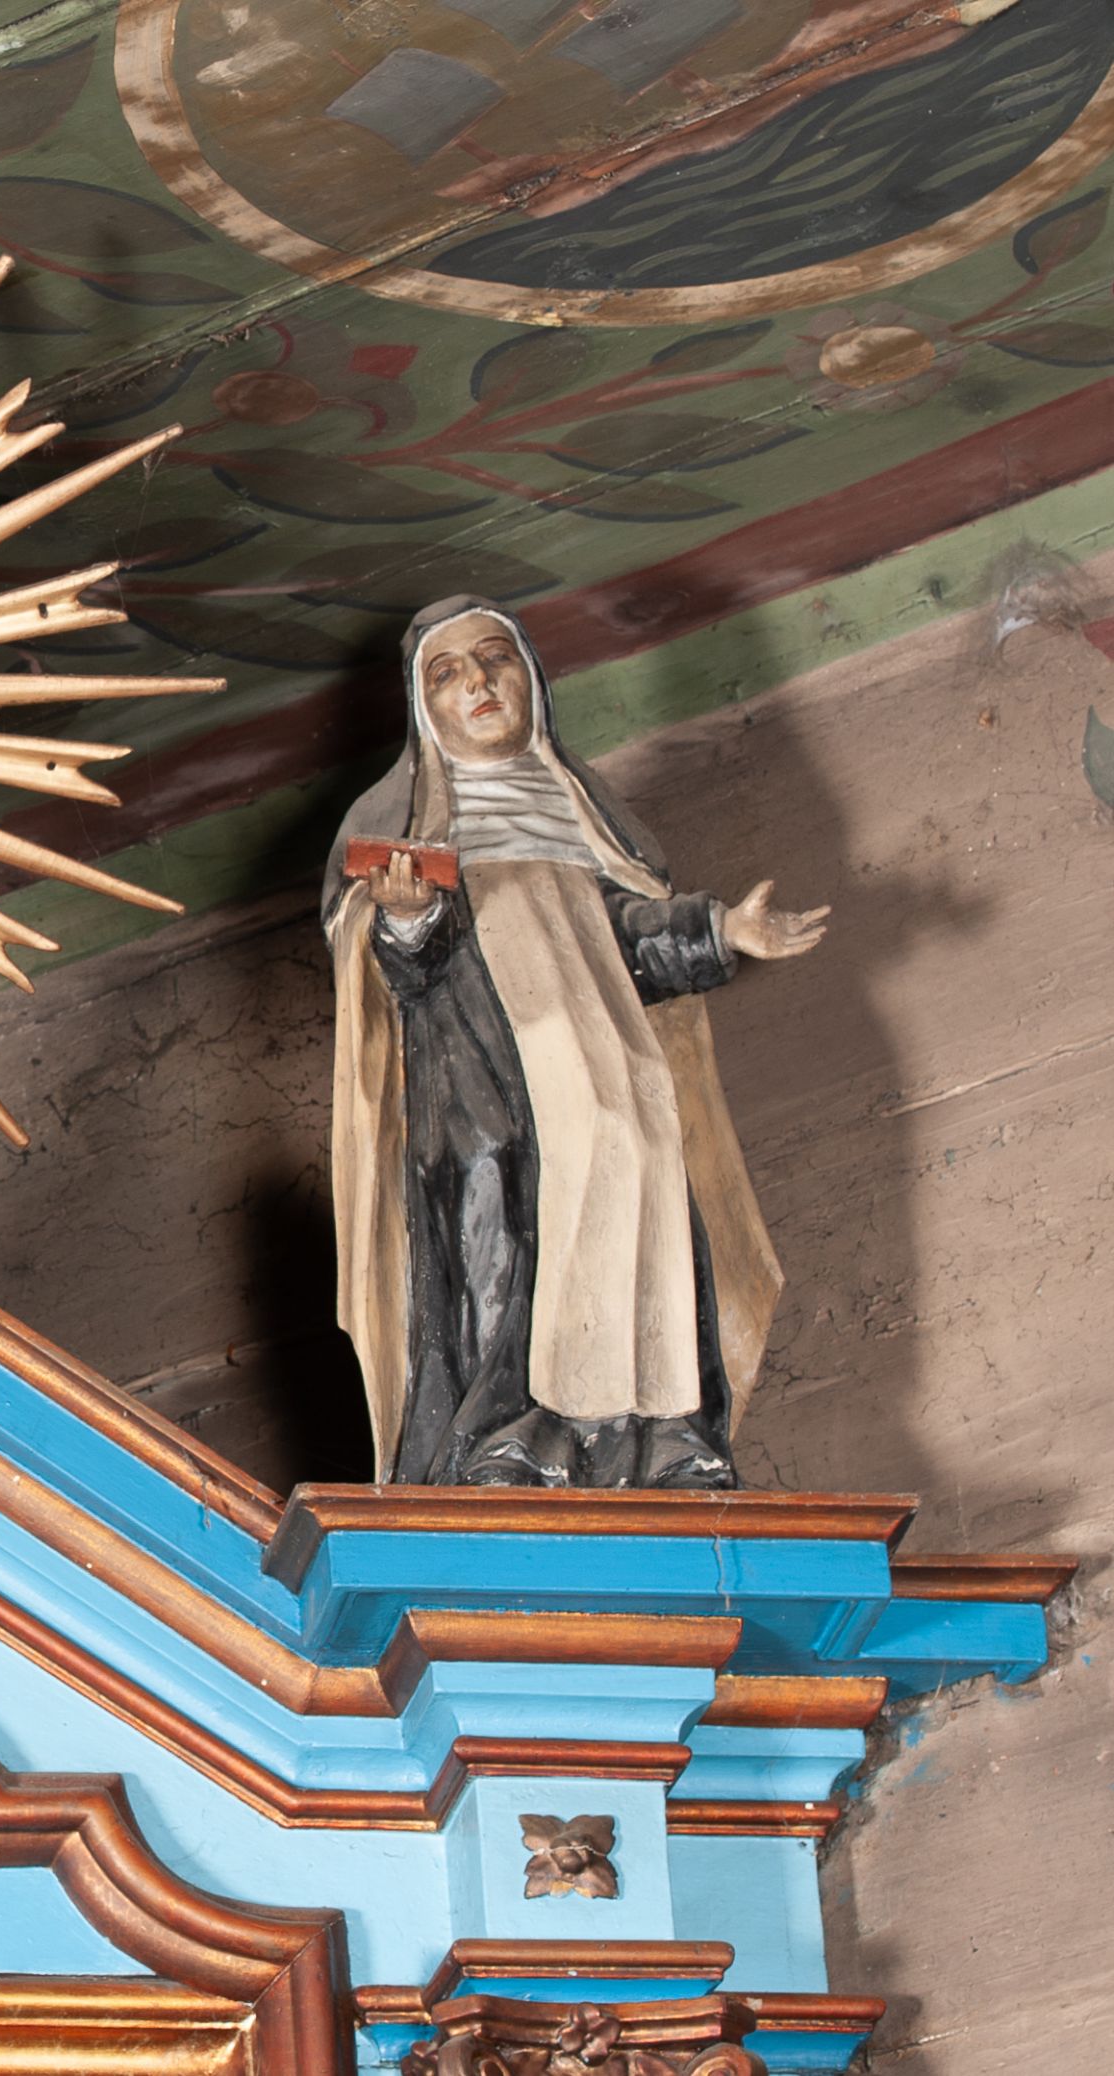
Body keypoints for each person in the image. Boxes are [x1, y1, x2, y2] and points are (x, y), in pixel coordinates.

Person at [324, 597, 827, 1488]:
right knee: (503, 1225)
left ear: (533, 681)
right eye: (447, 674)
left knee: (643, 1187)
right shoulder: (407, 819)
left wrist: (722, 931)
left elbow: (628, 932)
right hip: (487, 1081)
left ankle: (661, 1430)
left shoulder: (582, 813)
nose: (478, 684)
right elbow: (395, 979)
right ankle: (514, 1432)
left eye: (495, 660)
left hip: (612, 1065)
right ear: (422, 710)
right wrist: (407, 917)